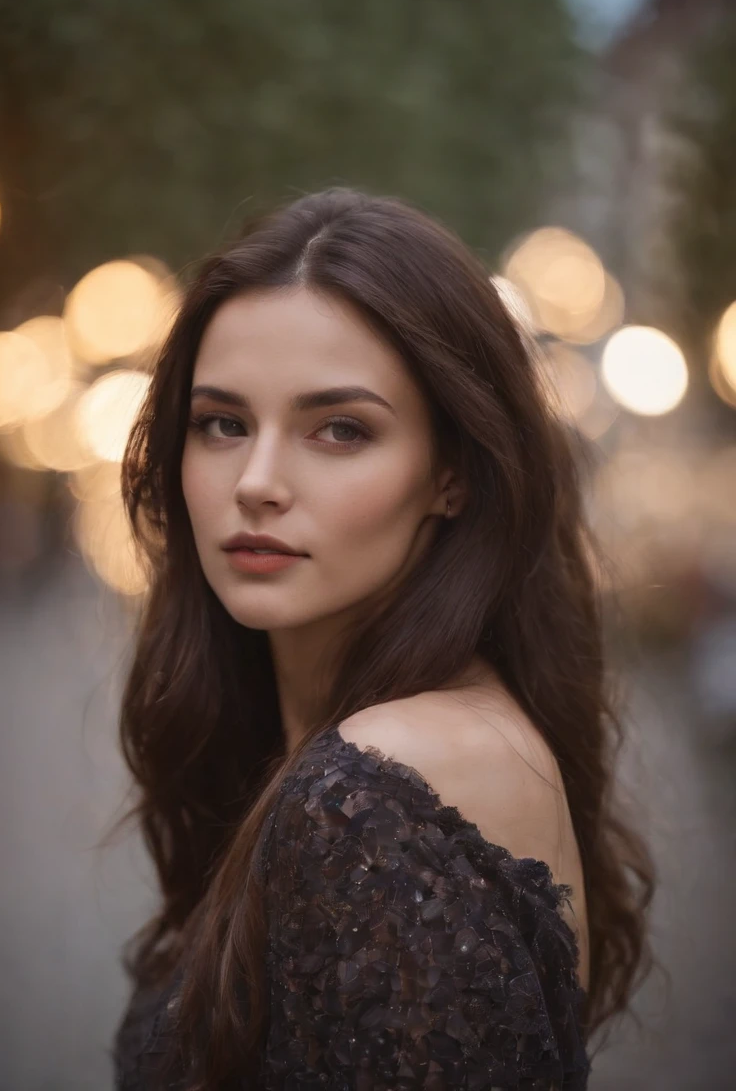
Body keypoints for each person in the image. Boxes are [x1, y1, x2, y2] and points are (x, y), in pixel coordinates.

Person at [111, 188, 654, 1090]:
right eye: (223, 423)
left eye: (340, 429)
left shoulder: (387, 786)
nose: (256, 481)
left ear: (452, 474)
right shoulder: (348, 746)